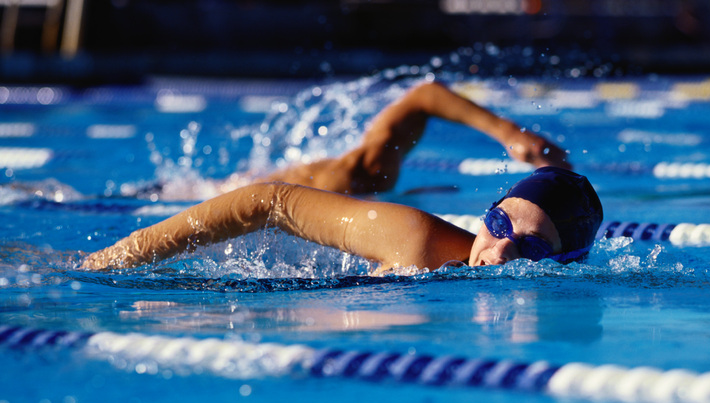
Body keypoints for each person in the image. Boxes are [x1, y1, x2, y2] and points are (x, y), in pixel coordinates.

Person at [80, 81, 603, 273]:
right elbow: (268, 201)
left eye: (534, 248)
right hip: (201, 197)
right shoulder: (376, 192)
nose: (502, 251)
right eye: (500, 224)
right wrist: (117, 257)